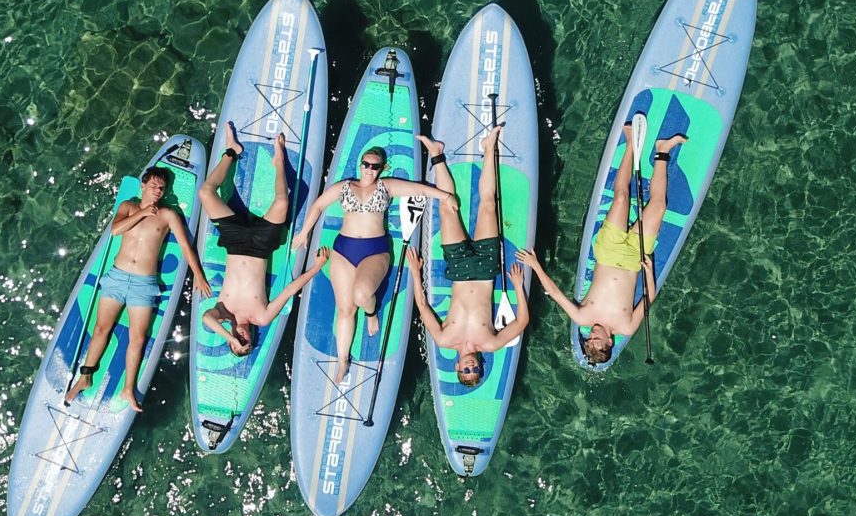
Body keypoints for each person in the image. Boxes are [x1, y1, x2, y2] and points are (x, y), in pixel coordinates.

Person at [516, 121, 687, 365]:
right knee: (659, 206)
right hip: (633, 259)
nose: (592, 333)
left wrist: (534, 264)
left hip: (607, 251)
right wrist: (649, 273)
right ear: (610, 342)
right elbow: (648, 299)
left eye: (589, 339)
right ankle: (663, 150)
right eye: (597, 339)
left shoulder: (582, 317)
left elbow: (554, 292)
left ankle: (630, 145)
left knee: (621, 197)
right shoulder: (626, 327)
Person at [291, 145, 458, 382]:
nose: (369, 169)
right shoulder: (345, 186)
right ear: (360, 164)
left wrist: (446, 196)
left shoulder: (385, 186)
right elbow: (318, 205)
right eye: (365, 164)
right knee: (345, 309)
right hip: (343, 249)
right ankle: (342, 360)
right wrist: (303, 233)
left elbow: (418, 189)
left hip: (375, 249)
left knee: (361, 295)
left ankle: (371, 312)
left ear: (383, 168)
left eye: (374, 166)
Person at [65, 165, 212, 412]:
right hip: (117, 277)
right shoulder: (128, 207)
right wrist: (143, 212)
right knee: (102, 328)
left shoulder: (168, 215)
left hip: (144, 284)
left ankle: (128, 388)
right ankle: (85, 376)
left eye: (161, 188)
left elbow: (186, 246)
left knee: (138, 337)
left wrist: (198, 275)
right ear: (143, 186)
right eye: (153, 186)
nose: (157, 191)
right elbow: (115, 230)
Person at [405, 125, 530, 387]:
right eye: (475, 370)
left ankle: (436, 153)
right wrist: (519, 287)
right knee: (488, 204)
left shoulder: (444, 339)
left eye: (466, 370)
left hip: (460, 270)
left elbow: (423, 306)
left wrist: (416, 273)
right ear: (480, 365)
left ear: (457, 366)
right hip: (485, 270)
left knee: (447, 207)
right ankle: (488, 148)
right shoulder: (491, 343)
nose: (470, 366)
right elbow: (522, 322)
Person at [197, 122, 329, 358]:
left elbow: (206, 319)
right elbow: (289, 290)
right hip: (260, 246)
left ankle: (231, 151)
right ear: (253, 336)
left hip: (234, 243)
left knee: (206, 192)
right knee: (282, 202)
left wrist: (230, 338)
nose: (241, 336)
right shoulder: (263, 317)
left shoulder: (223, 312)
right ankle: (279, 160)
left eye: (236, 341)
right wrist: (316, 268)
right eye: (245, 341)